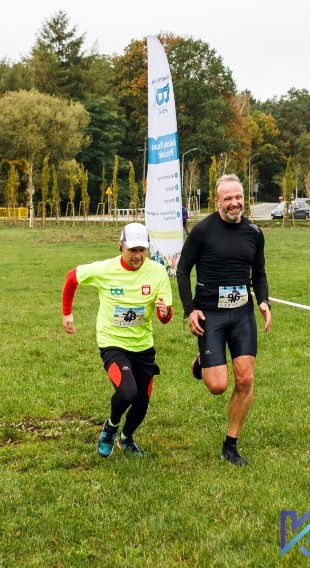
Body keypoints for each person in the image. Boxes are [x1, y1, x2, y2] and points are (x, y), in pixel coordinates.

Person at [175, 174, 271, 467]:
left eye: (238, 197)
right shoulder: (203, 230)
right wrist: (189, 309)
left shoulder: (254, 233)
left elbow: (259, 273)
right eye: (227, 198)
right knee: (217, 386)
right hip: (210, 314)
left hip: (242, 314)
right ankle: (203, 361)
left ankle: (230, 445)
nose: (234, 203)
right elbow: (182, 271)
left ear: (245, 198)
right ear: (217, 200)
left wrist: (264, 300)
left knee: (245, 379)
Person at [62, 222, 174, 457]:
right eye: (132, 249)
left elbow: (166, 315)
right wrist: (67, 314)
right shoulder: (105, 269)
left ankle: (126, 438)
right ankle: (110, 428)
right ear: (120, 246)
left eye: (142, 250)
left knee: (142, 403)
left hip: (143, 346)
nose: (137, 255)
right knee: (127, 392)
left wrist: (165, 313)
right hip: (112, 343)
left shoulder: (157, 272)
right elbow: (72, 277)